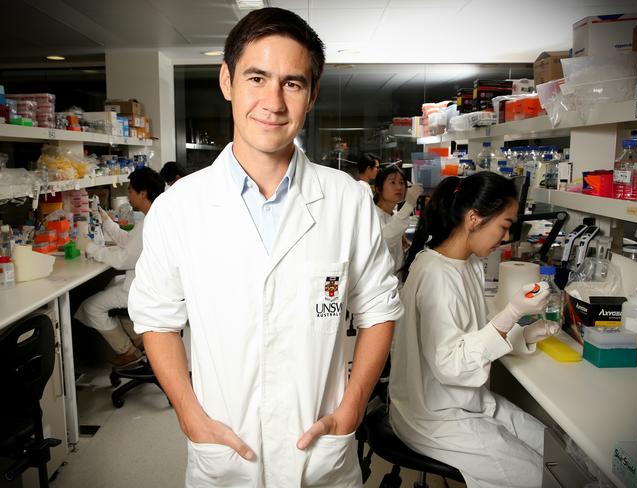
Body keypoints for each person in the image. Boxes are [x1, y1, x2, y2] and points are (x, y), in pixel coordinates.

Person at [128, 7, 402, 487]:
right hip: (226, 453)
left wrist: (355, 403)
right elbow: (157, 321)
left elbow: (379, 310)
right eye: (256, 77)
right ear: (227, 80)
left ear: (312, 94)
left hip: (320, 453)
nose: (273, 101)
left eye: (292, 83)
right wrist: (189, 414)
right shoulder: (179, 209)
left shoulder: (347, 200)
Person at [388, 172, 560, 488]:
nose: (505, 238)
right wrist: (513, 311)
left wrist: (523, 333)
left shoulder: (467, 264)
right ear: (473, 218)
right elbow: (451, 364)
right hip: (433, 413)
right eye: (504, 226)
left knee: (556, 452)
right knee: (542, 477)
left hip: (467, 399)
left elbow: (474, 335)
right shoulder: (436, 274)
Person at [74, 167, 165, 367]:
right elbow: (129, 242)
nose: (128, 195)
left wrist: (90, 247)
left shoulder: (151, 222)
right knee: (111, 287)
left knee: (91, 307)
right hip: (151, 285)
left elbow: (123, 260)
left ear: (143, 193)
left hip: (146, 290)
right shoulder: (155, 216)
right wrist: (107, 222)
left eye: (131, 191)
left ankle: (128, 351)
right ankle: (139, 340)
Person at [373, 165, 422, 275]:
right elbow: (385, 240)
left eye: (401, 182)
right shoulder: (372, 216)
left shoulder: (393, 215)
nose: (399, 187)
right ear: (378, 188)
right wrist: (409, 205)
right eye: (392, 182)